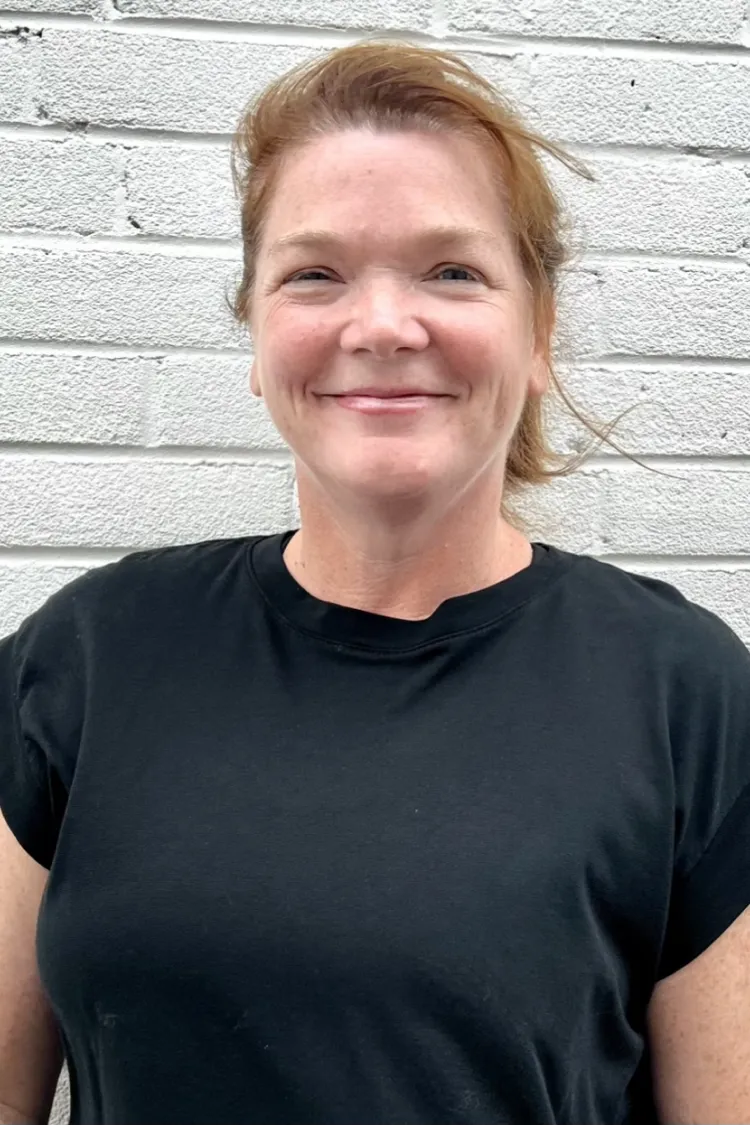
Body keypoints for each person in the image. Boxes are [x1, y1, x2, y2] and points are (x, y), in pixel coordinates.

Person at [1, 37, 749, 1125]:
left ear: (538, 332)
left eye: (452, 270)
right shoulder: (87, 660)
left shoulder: (685, 694)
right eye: (315, 273)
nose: (384, 326)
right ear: (256, 336)